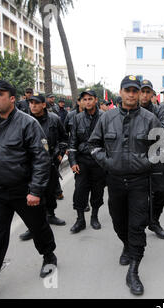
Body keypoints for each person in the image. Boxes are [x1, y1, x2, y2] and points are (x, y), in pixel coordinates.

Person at [0, 80, 57, 299]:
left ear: (12, 98)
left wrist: (36, 191)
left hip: (24, 190)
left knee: (38, 227)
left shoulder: (28, 124)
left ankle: (48, 255)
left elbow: (41, 160)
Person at [88, 75, 161, 296]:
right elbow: (94, 144)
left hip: (140, 182)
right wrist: (108, 162)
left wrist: (146, 163)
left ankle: (133, 270)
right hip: (115, 181)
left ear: (140, 94)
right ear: (120, 92)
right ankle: (126, 245)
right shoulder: (106, 118)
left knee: (137, 225)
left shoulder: (150, 119)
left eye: (135, 90)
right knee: (119, 222)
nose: (131, 94)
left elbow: (162, 149)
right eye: (127, 90)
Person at [19, 93, 68, 241]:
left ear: (44, 105)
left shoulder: (54, 119)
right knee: (33, 194)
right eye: (31, 102)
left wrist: (59, 154)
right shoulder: (23, 120)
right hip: (30, 165)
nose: (33, 105)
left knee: (50, 191)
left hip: (50, 162)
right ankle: (32, 226)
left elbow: (64, 138)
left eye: (36, 103)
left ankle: (51, 215)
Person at [139, 79, 164, 240]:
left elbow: (162, 131)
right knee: (137, 194)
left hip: (157, 154)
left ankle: (154, 221)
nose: (145, 95)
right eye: (142, 91)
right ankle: (137, 228)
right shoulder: (131, 110)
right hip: (137, 157)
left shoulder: (159, 110)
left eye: (148, 92)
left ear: (152, 94)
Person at [68, 89, 105, 233]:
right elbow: (72, 142)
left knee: (97, 191)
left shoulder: (104, 117)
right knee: (80, 190)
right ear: (81, 102)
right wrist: (73, 162)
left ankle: (94, 217)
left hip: (98, 161)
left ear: (96, 100)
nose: (87, 102)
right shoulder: (77, 118)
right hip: (82, 161)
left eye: (90, 99)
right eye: (85, 99)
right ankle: (80, 219)